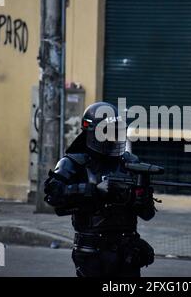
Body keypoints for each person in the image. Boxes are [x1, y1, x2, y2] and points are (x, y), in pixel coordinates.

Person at [43, 102, 156, 277]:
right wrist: (93, 190)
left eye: (116, 132)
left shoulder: (130, 163)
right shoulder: (73, 162)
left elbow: (148, 214)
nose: (113, 137)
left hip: (127, 251)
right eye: (108, 132)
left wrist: (140, 197)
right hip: (92, 251)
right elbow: (53, 195)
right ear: (94, 133)